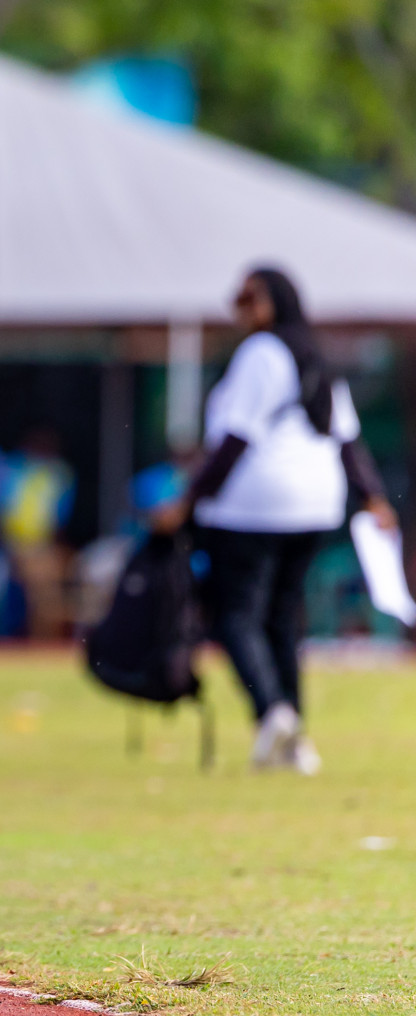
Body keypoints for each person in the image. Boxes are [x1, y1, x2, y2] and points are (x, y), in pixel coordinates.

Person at [153, 267, 393, 774]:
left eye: (247, 299)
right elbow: (348, 440)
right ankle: (295, 739)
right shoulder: (317, 354)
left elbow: (235, 439)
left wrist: (190, 501)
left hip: (254, 504)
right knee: (283, 617)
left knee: (236, 614)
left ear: (273, 303)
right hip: (315, 504)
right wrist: (371, 496)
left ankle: (272, 710)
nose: (238, 309)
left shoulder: (261, 355)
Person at [0, 427, 75, 639]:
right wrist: (4, 542)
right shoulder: (11, 468)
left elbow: (60, 514)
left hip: (40, 545)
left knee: (43, 601)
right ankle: (6, 641)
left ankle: (40, 644)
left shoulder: (58, 472)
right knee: (3, 600)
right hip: (10, 544)